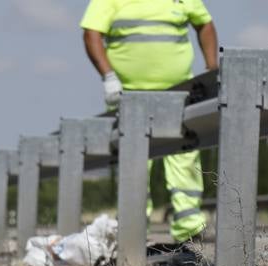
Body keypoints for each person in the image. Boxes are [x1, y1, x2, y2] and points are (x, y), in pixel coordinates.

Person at [80, 0, 218, 247]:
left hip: (179, 93)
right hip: (131, 97)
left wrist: (212, 70)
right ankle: (134, 230)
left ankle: (190, 230)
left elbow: (205, 24)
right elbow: (91, 34)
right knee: (135, 163)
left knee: (184, 160)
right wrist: (108, 77)